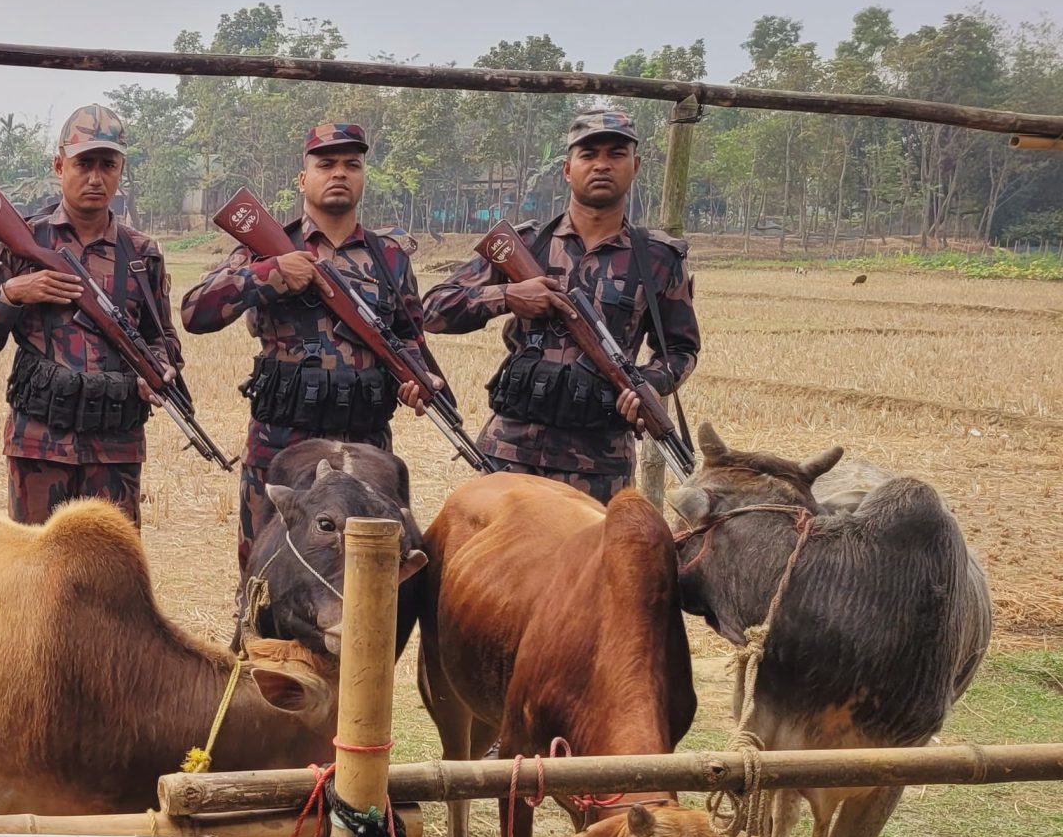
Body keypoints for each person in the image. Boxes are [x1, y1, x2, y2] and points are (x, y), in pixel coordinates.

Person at [419, 107, 699, 500]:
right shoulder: (526, 244)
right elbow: (432, 310)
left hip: (601, 464)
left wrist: (649, 383)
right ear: (568, 169)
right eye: (589, 155)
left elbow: (682, 350)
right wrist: (508, 296)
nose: (602, 164)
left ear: (634, 166)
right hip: (511, 454)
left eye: (616, 155)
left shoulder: (657, 259)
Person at [182, 122, 427, 568]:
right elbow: (195, 313)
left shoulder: (389, 256)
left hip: (363, 451)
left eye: (352, 165)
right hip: (280, 449)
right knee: (265, 579)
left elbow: (410, 338)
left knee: (363, 577)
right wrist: (268, 276)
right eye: (326, 163)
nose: (339, 173)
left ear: (363, 177)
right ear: (302, 178)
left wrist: (419, 383)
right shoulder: (264, 248)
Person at [0, 104, 181, 527]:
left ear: (121, 171)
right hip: (39, 444)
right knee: (36, 576)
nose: (95, 177)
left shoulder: (140, 253)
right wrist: (13, 292)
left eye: (107, 165)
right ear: (59, 165)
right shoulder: (23, 241)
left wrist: (162, 368)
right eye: (84, 163)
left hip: (116, 446)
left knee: (111, 577)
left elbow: (163, 337)